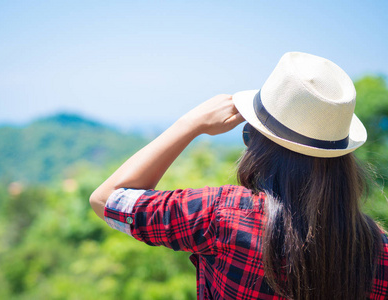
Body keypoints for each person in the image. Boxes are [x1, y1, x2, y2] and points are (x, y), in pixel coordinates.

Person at [90, 52, 388, 299]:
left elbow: (107, 201)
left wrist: (189, 124)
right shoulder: (381, 251)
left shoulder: (221, 214)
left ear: (259, 146)